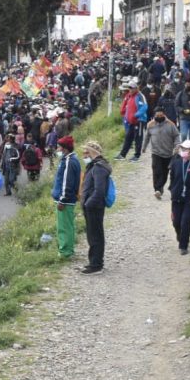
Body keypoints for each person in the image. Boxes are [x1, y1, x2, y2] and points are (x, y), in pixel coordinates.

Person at [79, 141, 111, 275]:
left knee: (95, 235)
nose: (84, 154)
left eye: (86, 152)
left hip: (94, 207)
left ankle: (96, 265)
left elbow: (99, 190)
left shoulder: (98, 167)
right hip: (92, 206)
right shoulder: (95, 165)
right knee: (93, 235)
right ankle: (94, 261)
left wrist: (88, 203)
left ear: (92, 152)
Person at [50, 136, 81, 260]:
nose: (57, 149)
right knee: (68, 226)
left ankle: (65, 252)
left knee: (64, 227)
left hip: (65, 201)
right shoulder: (70, 159)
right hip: (68, 200)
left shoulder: (69, 161)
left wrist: (62, 199)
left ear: (65, 149)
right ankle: (68, 249)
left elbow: (67, 183)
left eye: (59, 147)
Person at [142, 108, 180, 200]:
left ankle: (161, 187)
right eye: (157, 115)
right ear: (154, 115)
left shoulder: (171, 125)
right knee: (156, 170)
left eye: (160, 115)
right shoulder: (150, 125)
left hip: (168, 153)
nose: (158, 117)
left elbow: (176, 136)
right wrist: (144, 147)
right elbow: (147, 136)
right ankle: (157, 190)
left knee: (165, 172)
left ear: (164, 115)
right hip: (156, 152)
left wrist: (177, 146)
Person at [116, 81, 148, 161]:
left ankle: (137, 155)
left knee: (138, 138)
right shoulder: (129, 96)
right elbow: (127, 107)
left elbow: (144, 107)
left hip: (139, 120)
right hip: (131, 121)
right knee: (128, 138)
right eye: (129, 88)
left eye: (131, 88)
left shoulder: (140, 96)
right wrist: (126, 116)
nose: (130, 89)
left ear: (136, 88)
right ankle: (123, 155)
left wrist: (136, 115)